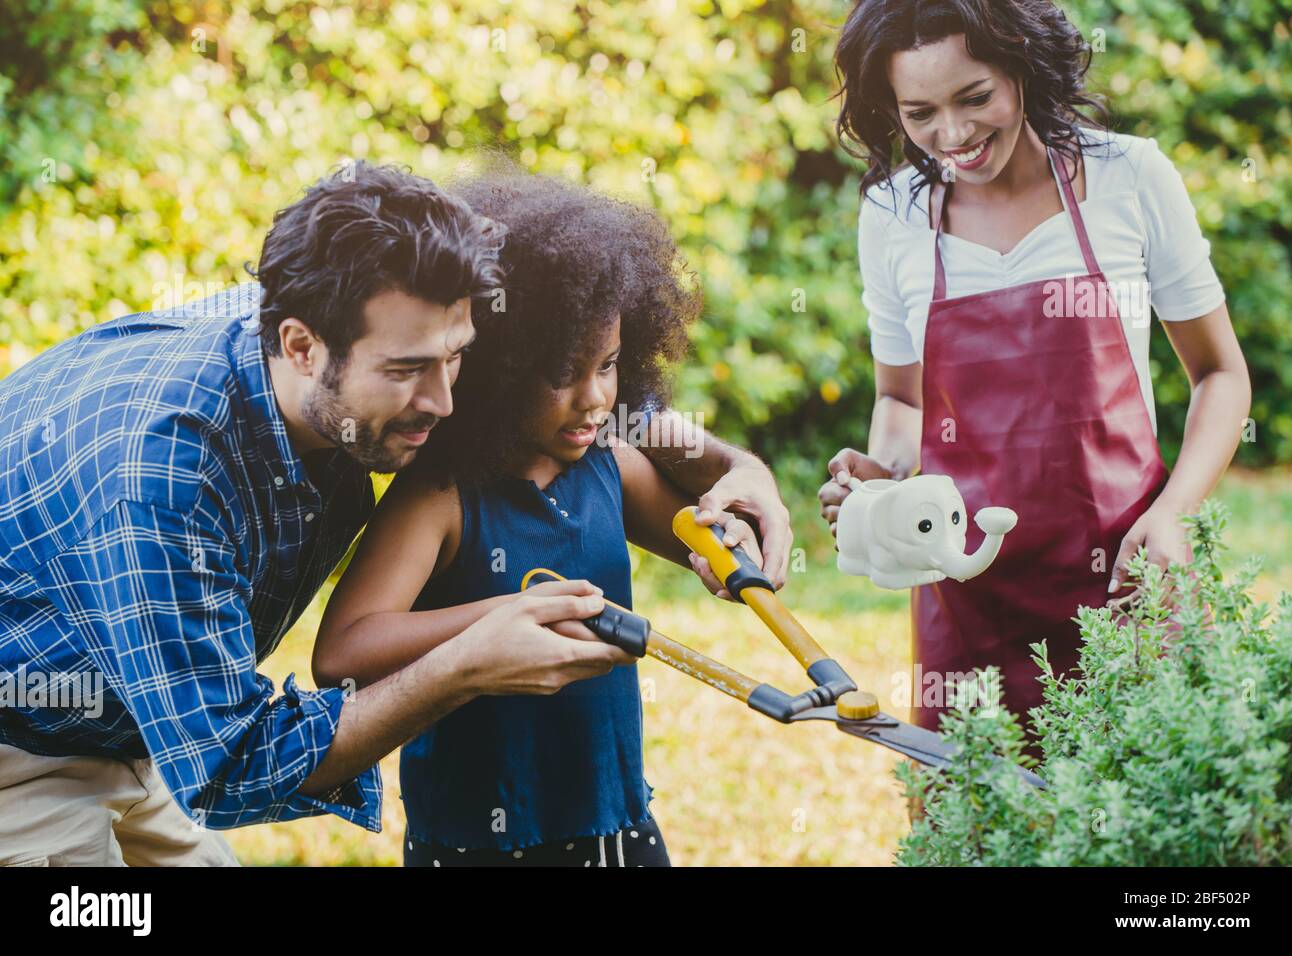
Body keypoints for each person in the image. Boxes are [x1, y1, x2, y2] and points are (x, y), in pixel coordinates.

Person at [0, 161, 792, 866]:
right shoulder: (161, 474)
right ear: (302, 347)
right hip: (22, 749)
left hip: (147, 721)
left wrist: (738, 468)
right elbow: (234, 764)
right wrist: (464, 662)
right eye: (412, 370)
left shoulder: (356, 314)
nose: (447, 402)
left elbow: (597, 395)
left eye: (458, 359)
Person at [818, 0, 1251, 733]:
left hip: (1126, 579)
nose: (951, 136)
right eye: (920, 112)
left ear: (1022, 65)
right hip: (965, 603)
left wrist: (1173, 514)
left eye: (976, 97)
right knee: (980, 834)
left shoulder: (1129, 177)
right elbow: (904, 401)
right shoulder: (890, 214)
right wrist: (883, 476)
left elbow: (1219, 374)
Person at [314, 169, 762, 867]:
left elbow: (704, 539)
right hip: (479, 837)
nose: (593, 397)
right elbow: (341, 652)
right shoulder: (441, 494)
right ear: (497, 366)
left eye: (610, 365)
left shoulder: (612, 464)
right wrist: (505, 620)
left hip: (614, 816)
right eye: (562, 373)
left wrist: (730, 542)